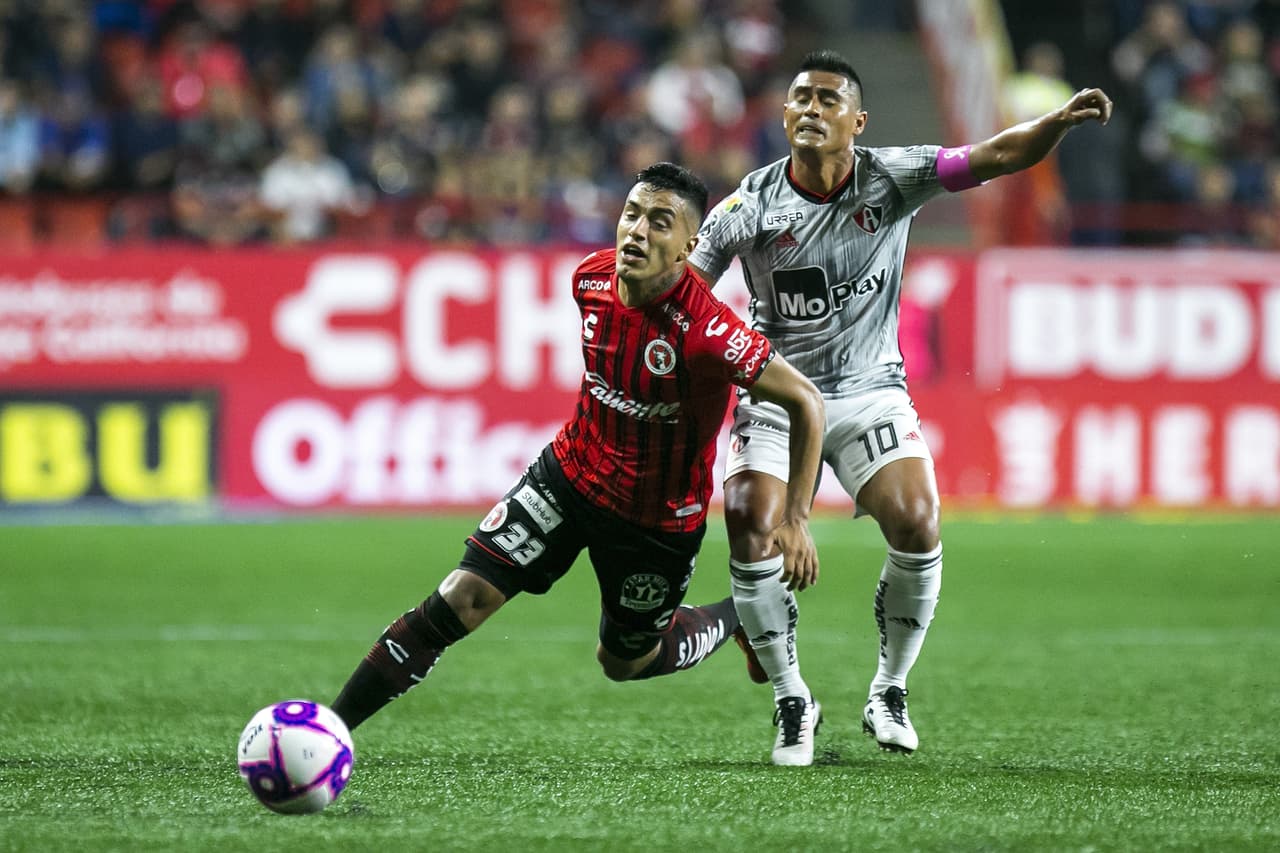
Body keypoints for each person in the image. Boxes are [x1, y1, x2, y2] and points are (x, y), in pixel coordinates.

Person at [687, 49, 1113, 763]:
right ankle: (793, 698)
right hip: (777, 392)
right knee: (747, 523)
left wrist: (1056, 125)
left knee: (918, 522)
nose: (812, 109)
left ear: (858, 120)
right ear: (784, 114)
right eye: (800, 97)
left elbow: (997, 154)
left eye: (828, 99)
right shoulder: (748, 205)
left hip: (868, 389)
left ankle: (889, 687)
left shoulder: (895, 175)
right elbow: (688, 285)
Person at [329, 163, 826, 766]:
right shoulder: (589, 278)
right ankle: (330, 730)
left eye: (660, 222)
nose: (637, 231)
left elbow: (806, 400)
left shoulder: (710, 331)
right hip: (568, 477)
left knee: (623, 662)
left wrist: (796, 516)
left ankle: (733, 618)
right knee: (463, 597)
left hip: (655, 523)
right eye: (632, 214)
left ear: (690, 247)